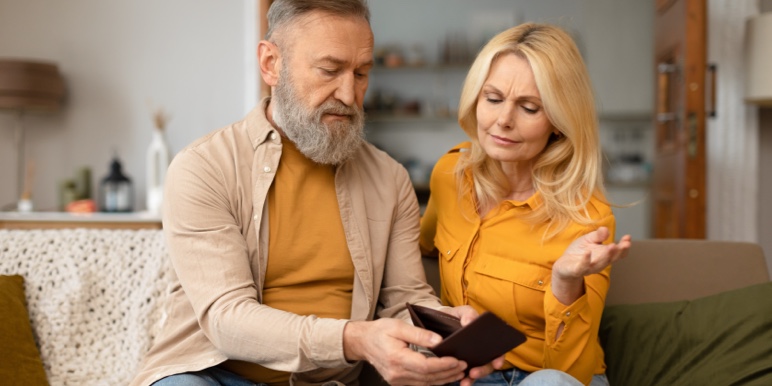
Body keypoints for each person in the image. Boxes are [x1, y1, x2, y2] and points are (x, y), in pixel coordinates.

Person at [129, 1, 501, 386]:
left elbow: (405, 299)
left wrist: (443, 333)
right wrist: (354, 339)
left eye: (361, 73)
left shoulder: (389, 178)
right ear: (271, 64)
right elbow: (228, 319)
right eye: (329, 70)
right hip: (218, 376)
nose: (348, 93)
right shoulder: (204, 167)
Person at [419, 23, 633, 386]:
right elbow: (420, 250)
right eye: (493, 98)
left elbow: (570, 373)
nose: (503, 120)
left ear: (559, 122)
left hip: (548, 377)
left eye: (529, 107)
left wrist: (566, 281)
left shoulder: (588, 216)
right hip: (470, 372)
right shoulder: (449, 174)